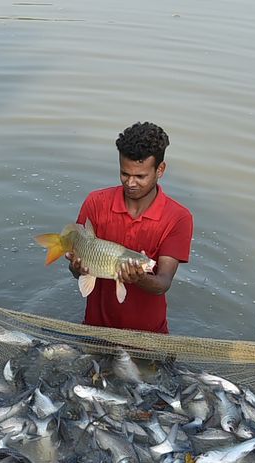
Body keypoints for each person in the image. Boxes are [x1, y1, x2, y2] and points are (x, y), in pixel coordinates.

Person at [67, 122, 193, 333]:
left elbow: (163, 283)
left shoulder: (178, 217)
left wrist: (140, 278)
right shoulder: (96, 202)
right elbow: (76, 269)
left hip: (149, 335)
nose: (131, 183)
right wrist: (76, 268)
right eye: (125, 174)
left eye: (140, 176)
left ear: (160, 170)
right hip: (94, 330)